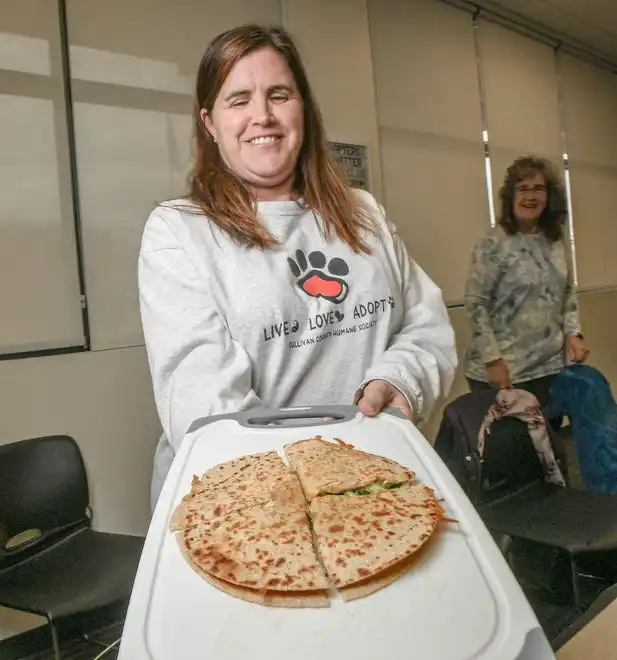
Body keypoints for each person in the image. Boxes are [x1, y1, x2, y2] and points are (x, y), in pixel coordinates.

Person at [138, 24, 457, 507]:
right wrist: (324, 481)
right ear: (209, 122)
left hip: (378, 483)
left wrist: (400, 380)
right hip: (249, 503)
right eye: (238, 99)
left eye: (279, 94)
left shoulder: (364, 213)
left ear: (303, 106)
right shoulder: (178, 230)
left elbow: (424, 325)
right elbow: (203, 401)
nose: (262, 115)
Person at [463, 155, 589, 412]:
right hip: (506, 372)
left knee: (548, 445)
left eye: (538, 188)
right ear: (511, 197)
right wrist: (493, 361)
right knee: (513, 449)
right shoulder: (493, 243)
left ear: (549, 196)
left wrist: (572, 334)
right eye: (523, 188)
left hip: (550, 367)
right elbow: (476, 305)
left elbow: (567, 291)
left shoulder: (554, 241)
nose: (530, 196)